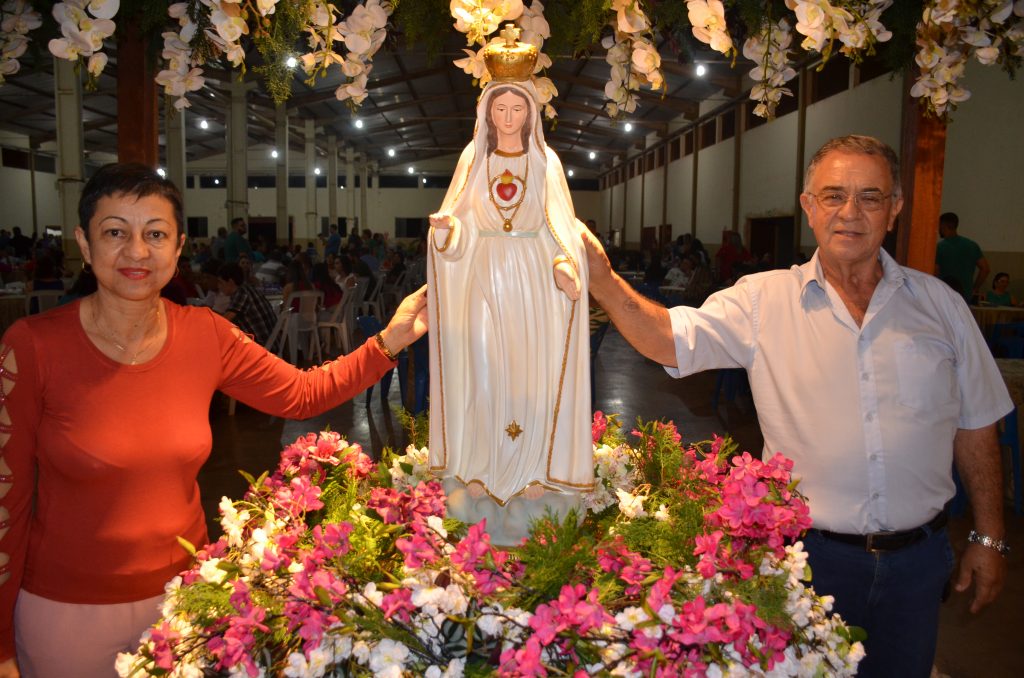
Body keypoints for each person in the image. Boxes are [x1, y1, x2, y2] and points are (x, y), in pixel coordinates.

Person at [580, 135, 1012, 677]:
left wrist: (989, 535)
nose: (850, 213)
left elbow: (976, 426)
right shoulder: (761, 301)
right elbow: (669, 337)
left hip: (918, 567)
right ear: (809, 207)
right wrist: (602, 278)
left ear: (895, 209)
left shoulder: (941, 307)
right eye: (833, 196)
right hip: (806, 564)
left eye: (870, 197)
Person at [0, 163, 428, 677]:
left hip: (184, 607)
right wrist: (2, 645)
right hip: (66, 618)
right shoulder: (33, 346)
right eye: (115, 232)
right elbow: (8, 501)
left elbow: (301, 393)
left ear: (179, 247)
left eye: (155, 235)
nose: (136, 252)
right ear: (84, 245)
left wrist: (391, 340)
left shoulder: (205, 334)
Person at [426, 32, 592, 547]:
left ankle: (529, 474)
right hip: (481, 280)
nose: (507, 115)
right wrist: (446, 234)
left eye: (516, 106)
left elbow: (561, 225)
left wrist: (567, 262)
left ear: (530, 113)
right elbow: (456, 224)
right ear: (486, 112)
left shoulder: (547, 164)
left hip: (532, 282)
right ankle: (478, 465)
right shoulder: (471, 162)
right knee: (482, 369)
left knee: (530, 376)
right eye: (499, 106)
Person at [218, 262, 280, 346]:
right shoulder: (248, 289)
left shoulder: (241, 294)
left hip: (262, 346)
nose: (219, 286)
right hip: (271, 341)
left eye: (220, 282)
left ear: (230, 281)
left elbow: (225, 320)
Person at [936, 211, 989, 304]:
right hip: (966, 295)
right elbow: (985, 269)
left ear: (943, 225)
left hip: (944, 294)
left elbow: (934, 272)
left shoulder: (940, 247)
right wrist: (975, 288)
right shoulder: (972, 245)